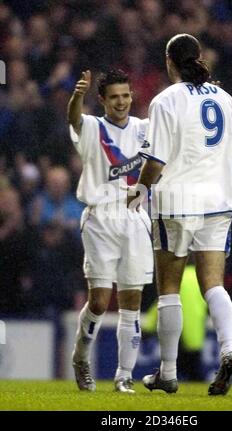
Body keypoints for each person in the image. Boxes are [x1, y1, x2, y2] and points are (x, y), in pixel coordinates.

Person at [128, 34, 232, 396]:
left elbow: (157, 159)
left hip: (177, 201)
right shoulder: (226, 99)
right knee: (213, 284)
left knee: (168, 289)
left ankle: (167, 372)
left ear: (169, 62)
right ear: (199, 58)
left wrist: (141, 189)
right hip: (220, 200)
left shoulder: (166, 101)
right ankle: (229, 349)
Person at [67, 69, 153, 393]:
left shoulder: (145, 128)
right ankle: (81, 357)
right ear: (102, 99)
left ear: (132, 96)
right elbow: (75, 119)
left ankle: (123, 376)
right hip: (100, 216)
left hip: (134, 214)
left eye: (126, 95)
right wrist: (76, 96)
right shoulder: (93, 127)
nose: (121, 102)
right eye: (114, 96)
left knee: (132, 300)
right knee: (101, 302)